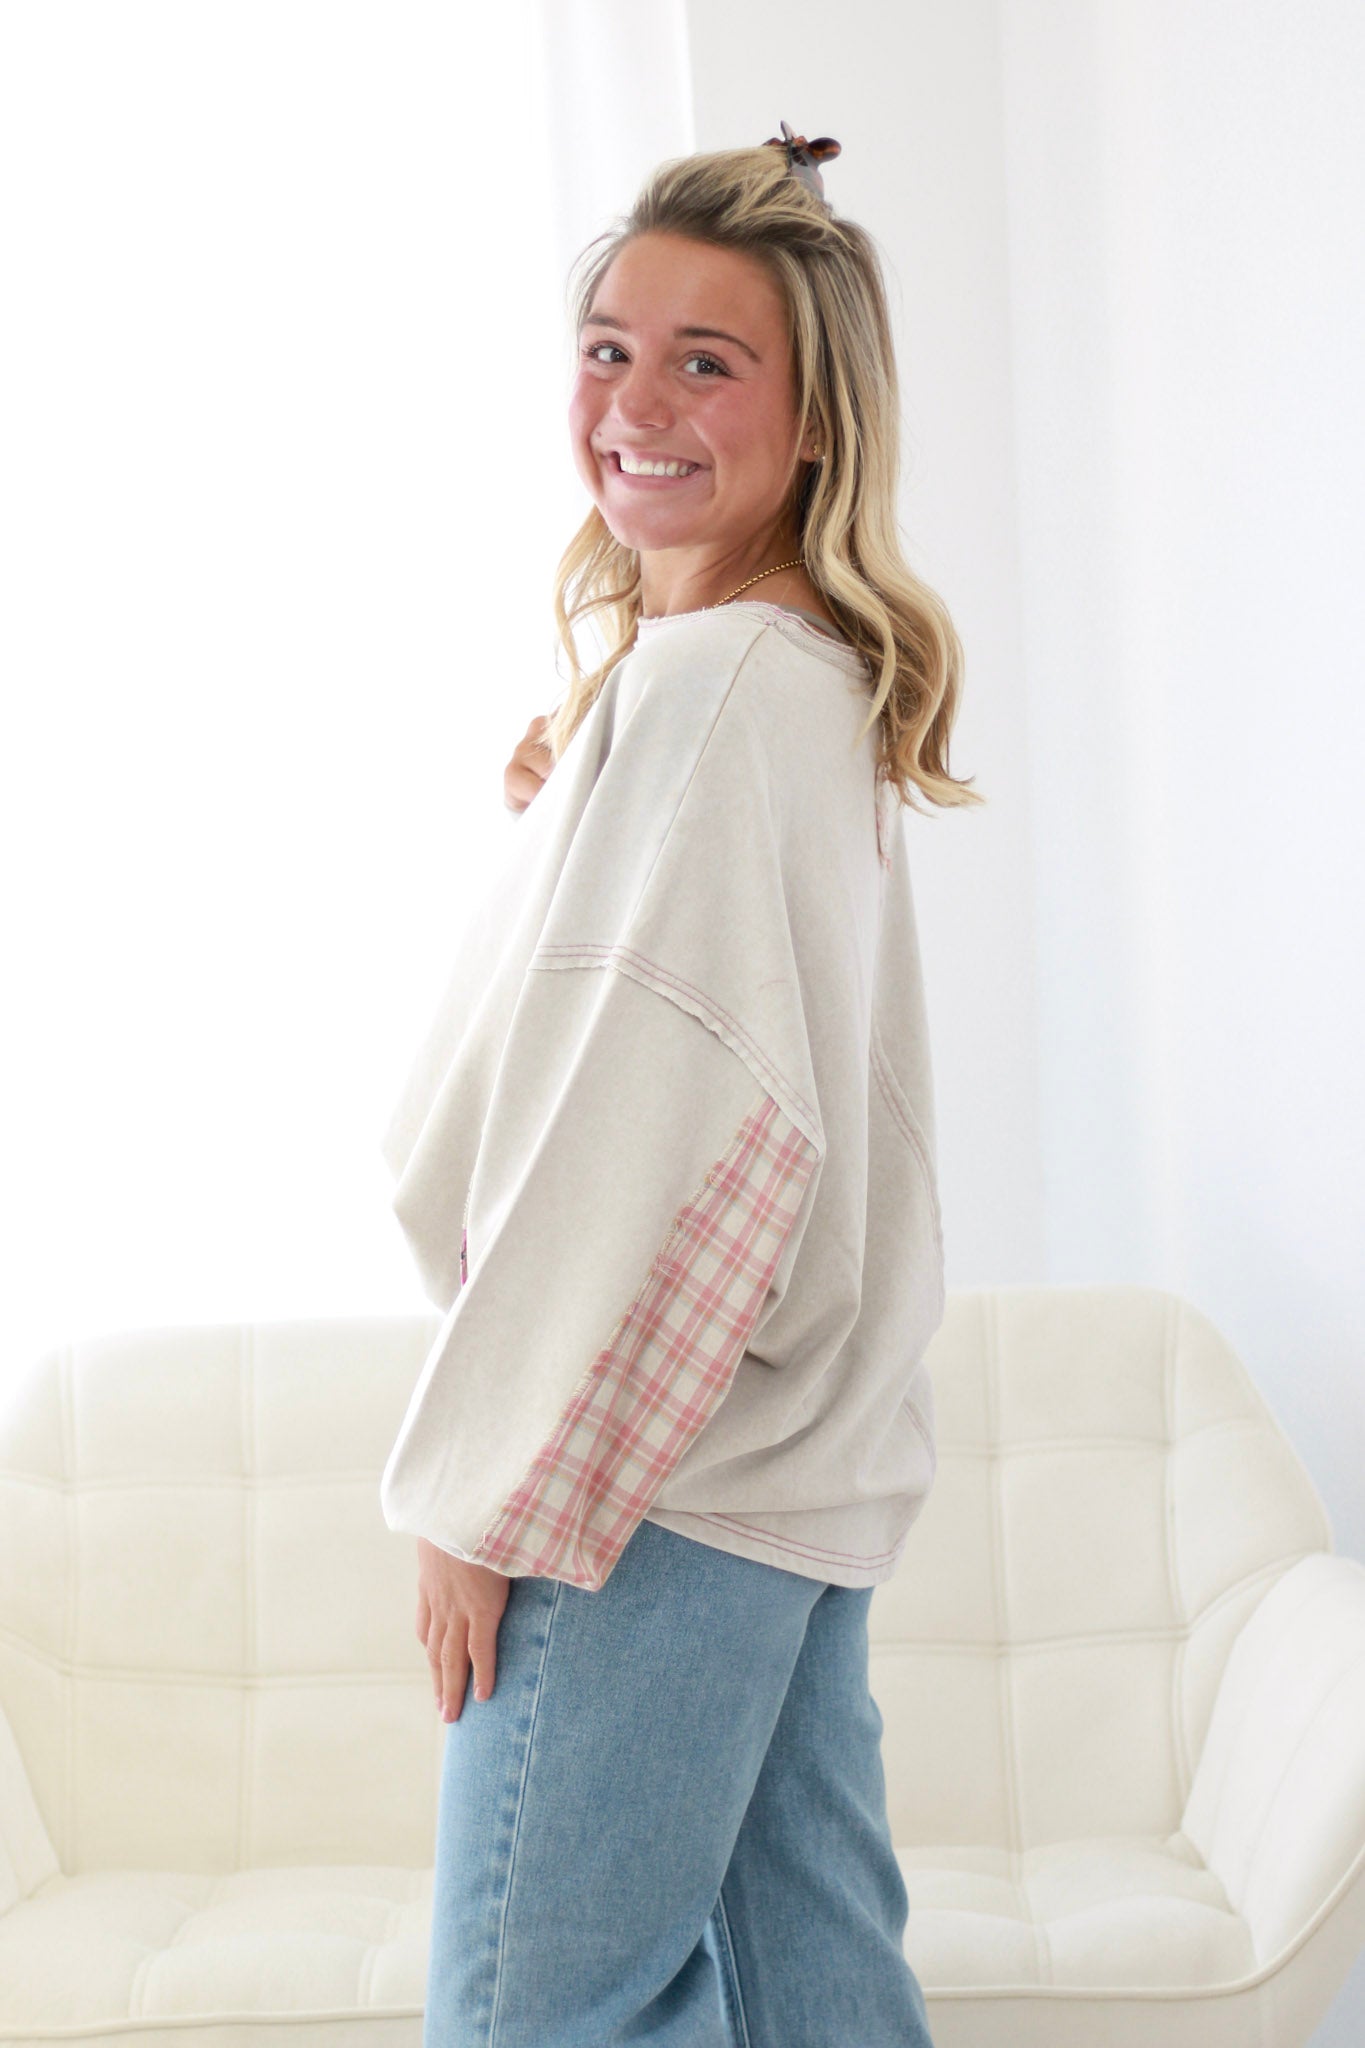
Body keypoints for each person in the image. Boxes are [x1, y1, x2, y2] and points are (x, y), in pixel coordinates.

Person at [380, 121, 981, 2048]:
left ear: (812, 425)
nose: (634, 403)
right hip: (788, 1474)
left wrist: (479, 1495)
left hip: (649, 1487)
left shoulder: (711, 694)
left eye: (705, 363)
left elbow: (630, 1138)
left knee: (533, 2015)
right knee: (815, 1997)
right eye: (607, 348)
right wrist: (581, 794)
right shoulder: (792, 684)